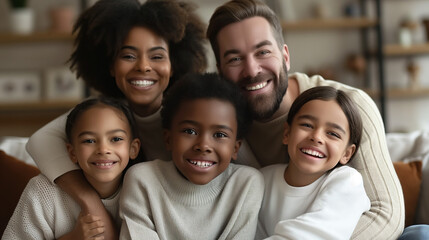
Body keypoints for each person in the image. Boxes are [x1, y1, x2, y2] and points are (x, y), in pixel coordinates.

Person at [206, 0, 404, 239]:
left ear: (285, 56)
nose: (252, 69)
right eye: (235, 59)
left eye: (263, 52)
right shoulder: (216, 127)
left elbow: (385, 215)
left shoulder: (351, 107)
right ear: (220, 71)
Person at [25, 0, 207, 238]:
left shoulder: (190, 117)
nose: (143, 66)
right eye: (129, 55)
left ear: (173, 66)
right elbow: (39, 140)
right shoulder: (106, 115)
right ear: (111, 66)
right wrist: (91, 203)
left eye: (157, 56)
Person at [119, 73, 264, 240]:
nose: (203, 146)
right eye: (190, 131)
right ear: (168, 139)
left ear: (235, 147)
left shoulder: (246, 184)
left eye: (219, 134)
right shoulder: (143, 180)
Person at [3, 97, 141, 240]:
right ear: (72, 152)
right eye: (89, 141)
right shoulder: (42, 191)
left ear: (133, 149)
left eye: (116, 139)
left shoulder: (143, 190)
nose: (103, 149)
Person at [256, 86, 370, 239]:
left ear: (347, 153)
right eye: (307, 125)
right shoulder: (261, 180)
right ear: (287, 133)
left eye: (332, 134)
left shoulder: (347, 182)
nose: (316, 137)